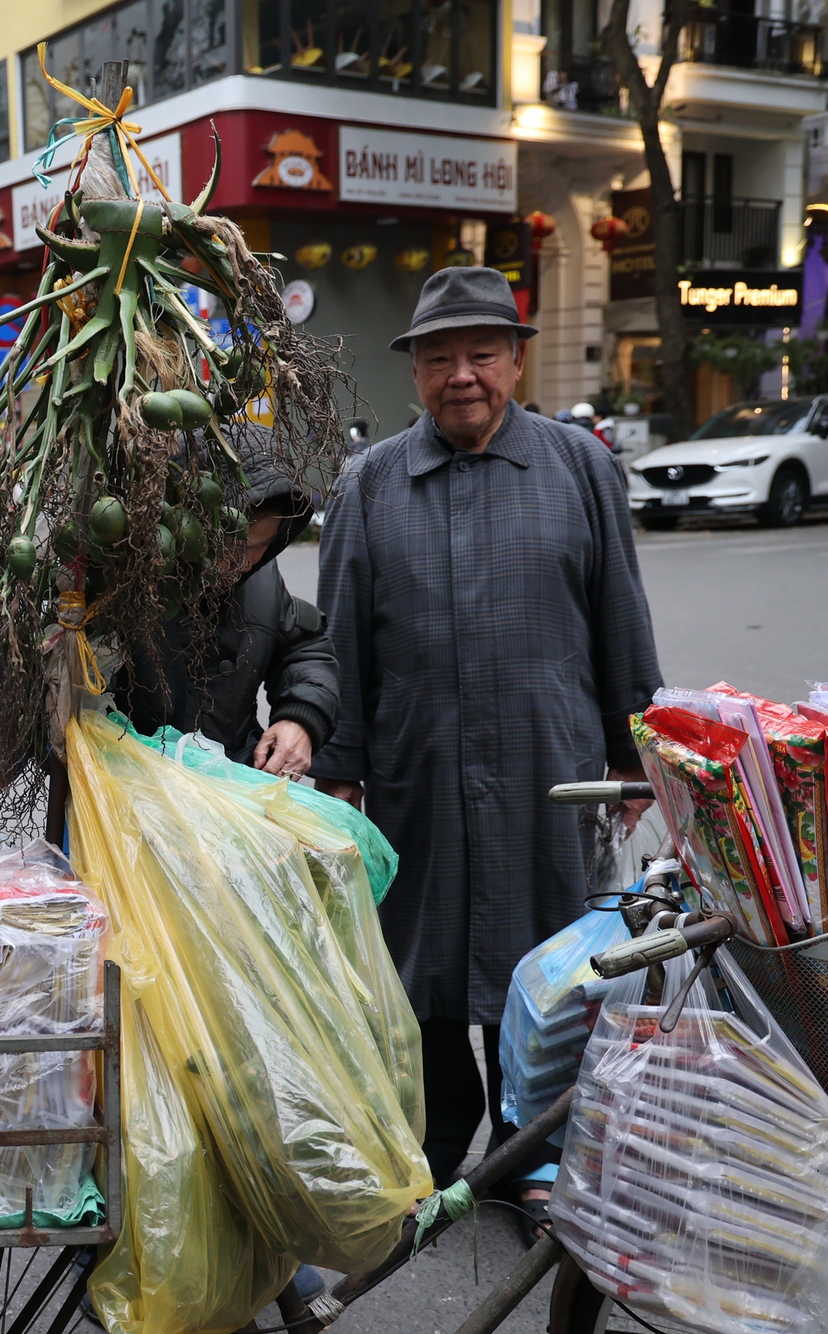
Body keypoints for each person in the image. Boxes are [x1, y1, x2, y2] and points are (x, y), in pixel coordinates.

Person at [310, 266, 663, 1242]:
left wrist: (633, 750)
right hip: (414, 771)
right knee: (417, 967)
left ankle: (526, 1152)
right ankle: (431, 1145)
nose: (458, 374)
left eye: (478, 353)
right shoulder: (368, 482)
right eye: (436, 358)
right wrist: (338, 767)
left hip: (542, 769)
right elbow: (339, 636)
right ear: (414, 375)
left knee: (546, 964)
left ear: (513, 358)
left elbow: (618, 616)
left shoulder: (578, 465)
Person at [118, 425, 335, 776]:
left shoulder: (260, 577)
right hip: (132, 802)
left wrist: (301, 719)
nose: (244, 563)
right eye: (232, 546)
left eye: (261, 546)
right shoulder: (122, 584)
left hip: (236, 798)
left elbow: (305, 647)